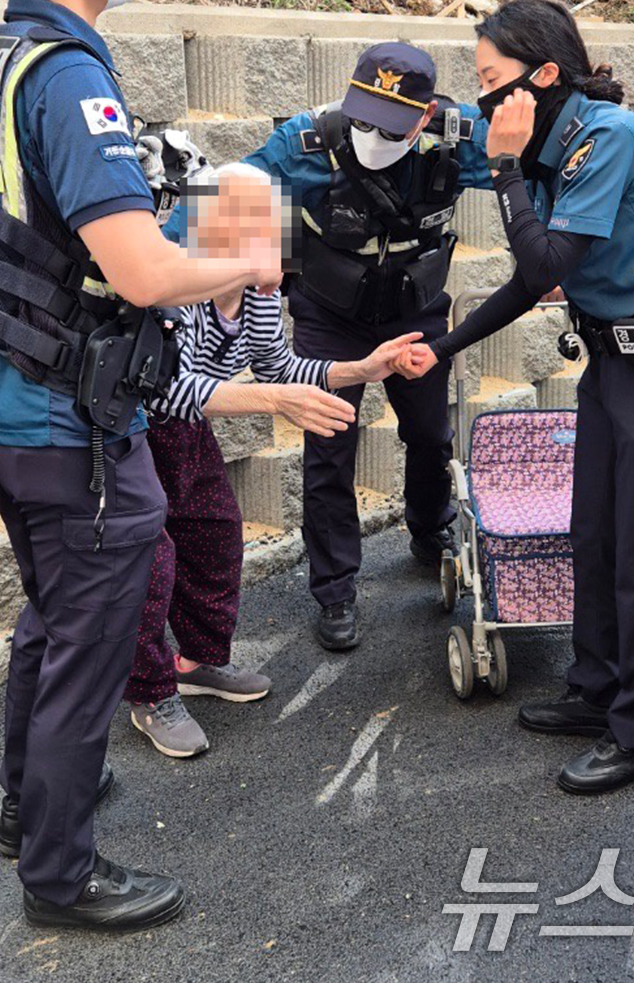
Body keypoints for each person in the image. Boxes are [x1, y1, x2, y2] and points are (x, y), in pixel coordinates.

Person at [0, 0, 280, 931]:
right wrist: (245, 261)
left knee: (53, 614)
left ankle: (28, 807)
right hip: (69, 419)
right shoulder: (71, 76)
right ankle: (59, 874)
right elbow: (141, 271)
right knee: (91, 642)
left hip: (6, 394)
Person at [393, 0, 634, 795]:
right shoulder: (554, 144)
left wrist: (506, 169)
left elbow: (546, 262)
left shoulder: (603, 138)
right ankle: (595, 689)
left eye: (491, 80)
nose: (483, 97)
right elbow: (531, 281)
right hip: (615, 366)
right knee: (592, 533)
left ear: (544, 75)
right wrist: (442, 348)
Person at [124, 164, 418, 756]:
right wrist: (273, 401)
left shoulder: (258, 295)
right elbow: (166, 391)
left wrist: (363, 369)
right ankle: (150, 694)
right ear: (216, 230)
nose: (284, 242)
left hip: (187, 433)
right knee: (149, 565)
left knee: (216, 535)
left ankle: (199, 662)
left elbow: (279, 366)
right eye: (266, 228)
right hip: (130, 435)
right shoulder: (175, 292)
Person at [233, 42, 496, 652]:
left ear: (425, 116)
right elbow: (231, 198)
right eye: (365, 118)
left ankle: (430, 528)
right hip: (330, 314)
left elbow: (537, 166)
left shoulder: (459, 140)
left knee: (430, 433)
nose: (374, 135)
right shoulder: (307, 142)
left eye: (392, 125)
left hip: (415, 311)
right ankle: (334, 589)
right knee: (329, 448)